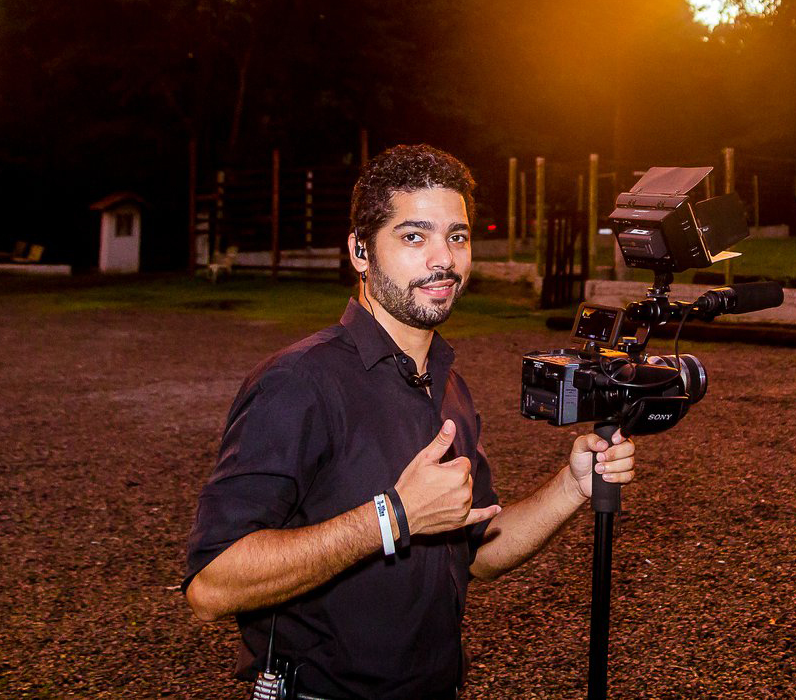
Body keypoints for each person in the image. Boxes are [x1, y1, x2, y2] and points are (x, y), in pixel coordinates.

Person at [183, 144, 636, 700]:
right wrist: (392, 516)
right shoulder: (300, 381)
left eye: (458, 236)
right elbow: (212, 584)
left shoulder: (446, 382)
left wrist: (571, 487)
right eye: (414, 237)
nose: (443, 259)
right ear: (359, 250)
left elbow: (478, 556)